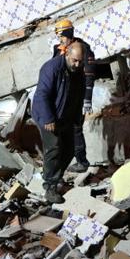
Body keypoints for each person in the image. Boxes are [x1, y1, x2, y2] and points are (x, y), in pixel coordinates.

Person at [32, 42, 87, 204]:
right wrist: (48, 118)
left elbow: (79, 94)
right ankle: (50, 186)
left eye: (80, 61)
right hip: (47, 115)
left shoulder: (78, 71)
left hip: (66, 116)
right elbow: (42, 94)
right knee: (54, 148)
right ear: (67, 54)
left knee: (69, 150)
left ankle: (53, 176)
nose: (77, 64)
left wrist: (77, 117)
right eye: (75, 60)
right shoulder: (51, 68)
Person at [51, 19, 96, 173]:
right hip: (62, 97)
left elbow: (89, 74)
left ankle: (82, 162)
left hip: (77, 96)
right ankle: (63, 161)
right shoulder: (58, 50)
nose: (60, 39)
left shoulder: (83, 49)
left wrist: (87, 99)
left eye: (62, 36)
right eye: (59, 37)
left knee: (76, 129)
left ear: (69, 33)